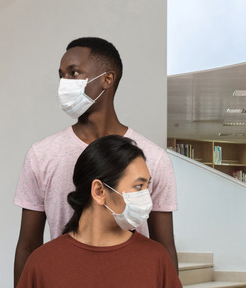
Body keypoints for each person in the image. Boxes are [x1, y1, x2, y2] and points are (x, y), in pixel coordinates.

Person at [14, 37, 178, 287]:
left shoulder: (152, 158)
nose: (64, 84)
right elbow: (27, 245)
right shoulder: (42, 155)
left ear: (107, 79)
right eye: (62, 75)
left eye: (74, 73)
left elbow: (164, 247)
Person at [17, 135, 182, 288]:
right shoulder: (42, 264)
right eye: (138, 186)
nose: (146, 197)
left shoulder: (156, 260)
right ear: (99, 191)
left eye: (147, 186)